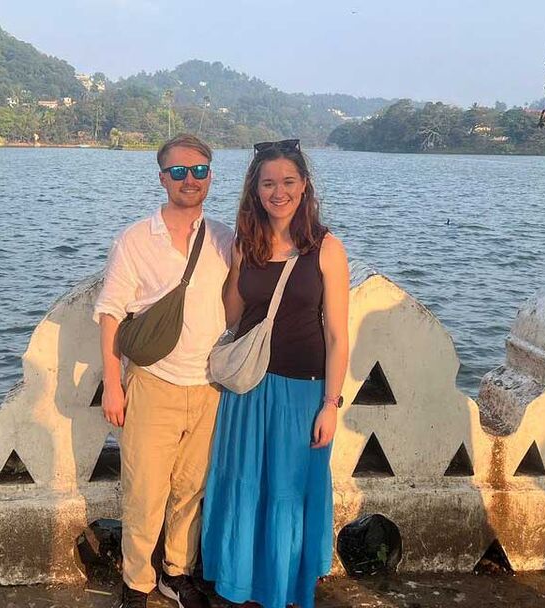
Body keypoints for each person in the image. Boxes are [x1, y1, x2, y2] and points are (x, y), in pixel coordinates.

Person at [201, 139, 350, 608]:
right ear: (255, 190)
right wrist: (229, 273)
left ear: (304, 186)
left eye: (287, 182)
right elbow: (233, 315)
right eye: (268, 183)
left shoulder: (326, 248)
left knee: (288, 492)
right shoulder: (248, 243)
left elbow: (337, 336)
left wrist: (331, 404)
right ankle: (241, 585)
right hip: (248, 390)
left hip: (302, 394)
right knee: (244, 486)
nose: (278, 192)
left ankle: (284, 588)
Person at [94, 133, 234, 608]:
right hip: (153, 384)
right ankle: (137, 582)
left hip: (210, 385)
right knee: (144, 491)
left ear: (210, 176)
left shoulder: (224, 238)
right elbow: (110, 313)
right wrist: (112, 384)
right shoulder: (136, 239)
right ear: (162, 178)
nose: (189, 180)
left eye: (198, 170)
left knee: (191, 488)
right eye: (178, 171)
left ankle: (177, 571)